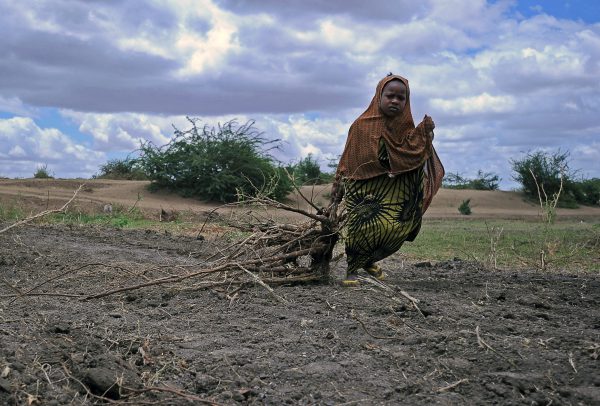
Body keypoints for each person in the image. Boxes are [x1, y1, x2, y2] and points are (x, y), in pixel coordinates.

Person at [330, 73, 444, 286]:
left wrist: (425, 135)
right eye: (390, 95)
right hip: (362, 188)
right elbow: (347, 157)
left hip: (393, 191)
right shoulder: (361, 126)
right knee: (362, 228)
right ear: (379, 96)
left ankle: (369, 260)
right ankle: (352, 270)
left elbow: (414, 154)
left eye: (401, 98)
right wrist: (337, 189)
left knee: (397, 226)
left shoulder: (406, 130)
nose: (395, 101)